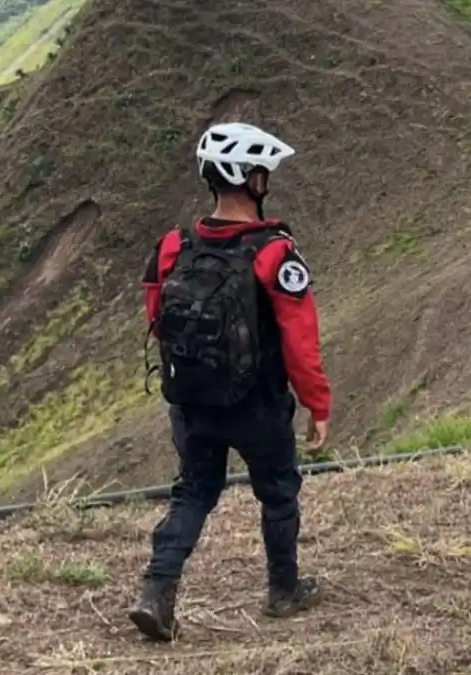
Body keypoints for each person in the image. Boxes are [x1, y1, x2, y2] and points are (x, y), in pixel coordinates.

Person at [129, 122, 332, 641]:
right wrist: (317, 405)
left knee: (193, 492)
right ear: (250, 179)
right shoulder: (274, 253)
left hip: (192, 399)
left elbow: (158, 318)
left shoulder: (173, 245)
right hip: (257, 403)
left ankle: (156, 590)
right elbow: (300, 341)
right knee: (279, 492)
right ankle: (283, 590)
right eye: (262, 172)